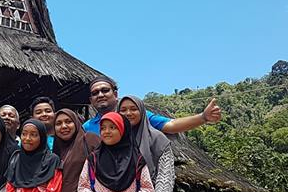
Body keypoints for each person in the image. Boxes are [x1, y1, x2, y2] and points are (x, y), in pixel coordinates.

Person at [83, 76, 221, 135]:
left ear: (116, 94)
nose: (100, 94)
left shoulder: (133, 116)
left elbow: (171, 126)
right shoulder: (87, 128)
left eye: (105, 90)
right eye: (95, 93)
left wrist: (203, 117)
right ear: (91, 99)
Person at [77, 113, 154, 192]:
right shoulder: (93, 158)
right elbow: (83, 187)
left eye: (112, 127)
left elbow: (147, 188)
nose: (106, 131)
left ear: (123, 130)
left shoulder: (136, 159)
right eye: (103, 128)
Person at [117, 97, 174, 192]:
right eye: (123, 110)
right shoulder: (113, 140)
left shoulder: (157, 139)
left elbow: (165, 178)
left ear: (142, 112)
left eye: (133, 109)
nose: (128, 113)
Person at [6, 119, 62, 192]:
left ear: (41, 138)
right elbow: (9, 187)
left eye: (33, 135)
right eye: (24, 134)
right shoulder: (16, 158)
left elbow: (55, 187)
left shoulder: (52, 160)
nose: (27, 138)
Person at [52, 109, 100, 192]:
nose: (63, 126)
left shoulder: (89, 139)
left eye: (68, 121)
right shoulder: (56, 150)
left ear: (76, 123)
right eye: (58, 123)